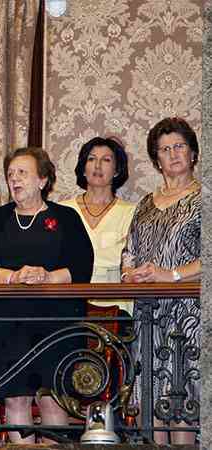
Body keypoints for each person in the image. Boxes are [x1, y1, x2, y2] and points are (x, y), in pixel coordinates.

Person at [0, 147, 93, 443]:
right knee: (15, 399)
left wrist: (48, 277)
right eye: (10, 174)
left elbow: (82, 266)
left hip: (57, 323)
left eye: (22, 173)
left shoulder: (66, 217)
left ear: (43, 180)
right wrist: (14, 277)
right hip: (9, 324)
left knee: (52, 399)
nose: (14, 179)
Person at [121, 117, 201, 445]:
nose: (173, 154)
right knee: (149, 401)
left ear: (193, 153)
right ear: (156, 160)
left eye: (179, 146)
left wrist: (171, 274)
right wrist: (129, 274)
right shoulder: (145, 204)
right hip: (148, 316)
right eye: (164, 149)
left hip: (188, 315)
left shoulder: (204, 197)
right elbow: (129, 251)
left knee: (182, 402)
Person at [60, 137, 135, 314]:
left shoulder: (132, 212)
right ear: (83, 168)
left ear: (117, 170)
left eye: (106, 160)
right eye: (91, 159)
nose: (98, 165)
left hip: (117, 308)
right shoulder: (62, 210)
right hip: (69, 306)